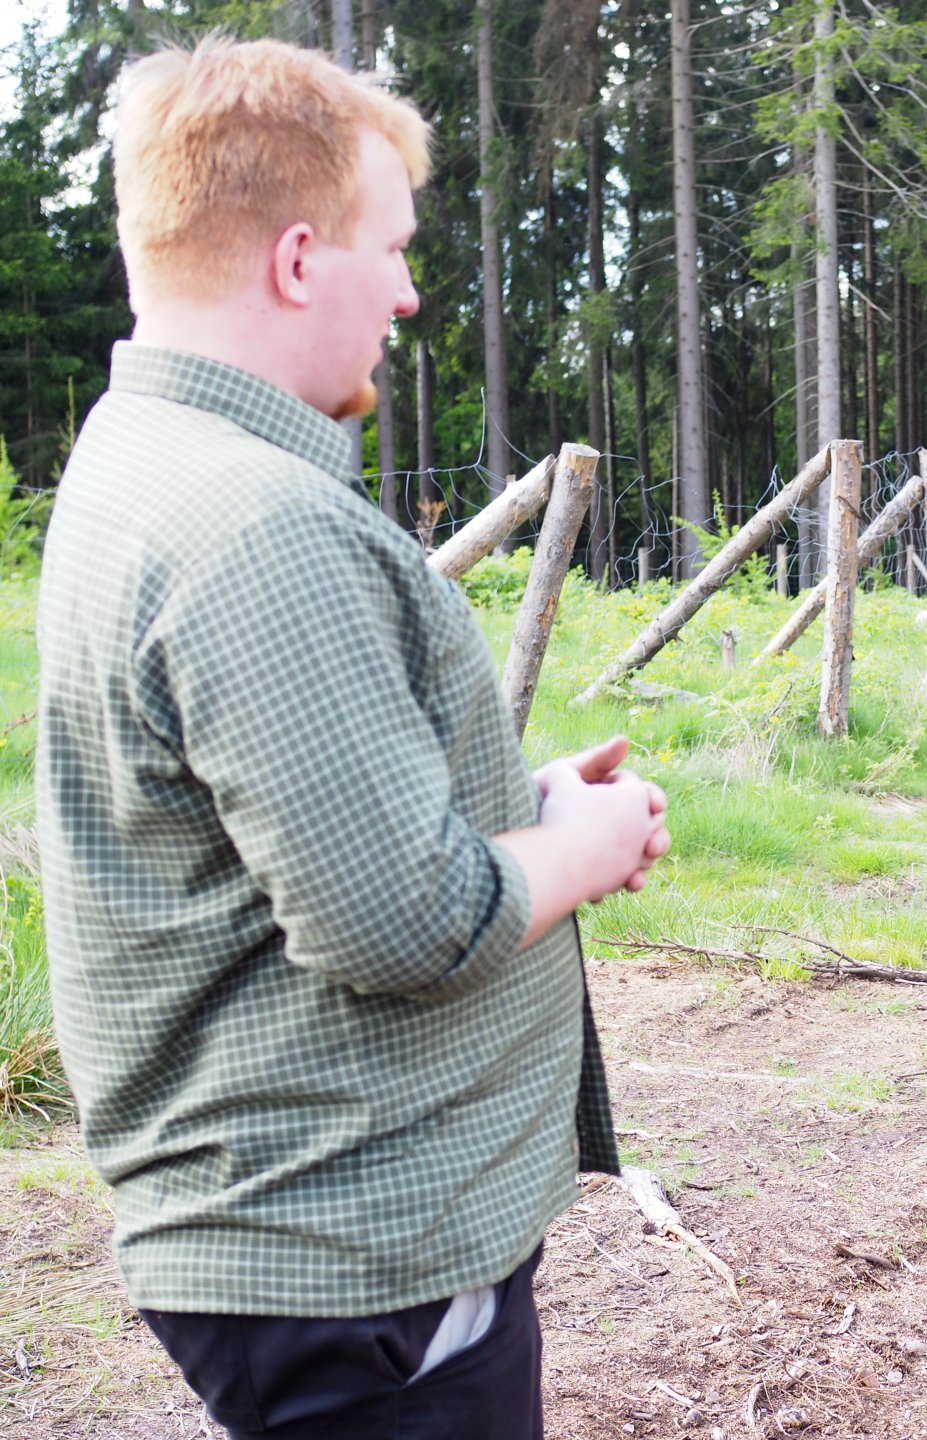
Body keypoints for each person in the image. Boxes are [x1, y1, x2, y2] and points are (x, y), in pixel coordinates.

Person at [36, 36, 669, 1439]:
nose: (408, 291)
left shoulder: (146, 466)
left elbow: (277, 827)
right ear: (298, 261)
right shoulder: (255, 525)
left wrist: (515, 802)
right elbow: (401, 921)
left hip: (306, 1240)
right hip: (356, 1257)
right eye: (391, 248)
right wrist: (585, 845)